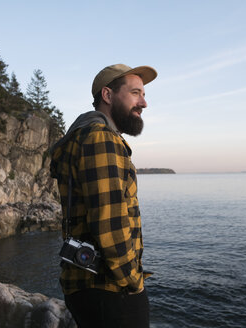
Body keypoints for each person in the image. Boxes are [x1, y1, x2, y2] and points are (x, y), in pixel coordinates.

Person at [50, 63, 157, 328]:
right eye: (135, 93)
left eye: (143, 94)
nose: (144, 102)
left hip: (87, 286)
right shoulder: (100, 138)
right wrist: (133, 282)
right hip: (108, 291)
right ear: (107, 96)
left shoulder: (82, 134)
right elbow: (109, 222)